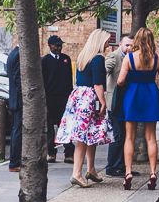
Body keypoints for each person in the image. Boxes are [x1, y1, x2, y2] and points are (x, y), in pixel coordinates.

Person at [117, 27, 159, 191]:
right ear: (151, 40)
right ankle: (152, 173)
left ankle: (128, 172)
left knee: (129, 137)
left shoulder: (129, 58)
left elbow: (120, 81)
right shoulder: (156, 58)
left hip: (133, 96)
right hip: (150, 96)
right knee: (151, 138)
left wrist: (128, 81)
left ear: (137, 40)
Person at [56, 29, 113, 188]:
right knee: (82, 137)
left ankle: (91, 169)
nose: (108, 44)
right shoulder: (98, 59)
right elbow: (98, 84)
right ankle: (76, 173)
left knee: (90, 133)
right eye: (107, 41)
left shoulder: (83, 56)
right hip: (90, 98)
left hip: (78, 96)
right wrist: (103, 102)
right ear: (99, 41)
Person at [42, 35, 75, 164]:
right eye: (56, 45)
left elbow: (69, 80)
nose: (59, 47)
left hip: (64, 98)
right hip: (50, 98)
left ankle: (69, 153)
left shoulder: (66, 59)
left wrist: (70, 97)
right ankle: (51, 153)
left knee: (66, 126)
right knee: (50, 128)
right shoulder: (44, 61)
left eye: (60, 45)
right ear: (50, 46)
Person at [104, 36, 134, 177]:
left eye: (131, 46)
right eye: (127, 45)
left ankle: (122, 166)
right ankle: (111, 167)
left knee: (125, 135)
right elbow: (104, 69)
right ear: (120, 44)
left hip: (126, 101)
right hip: (115, 101)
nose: (129, 48)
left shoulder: (132, 58)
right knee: (117, 135)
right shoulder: (114, 56)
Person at [6, 45, 22, 173]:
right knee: (17, 130)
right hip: (18, 100)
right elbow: (18, 79)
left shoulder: (13, 53)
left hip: (15, 99)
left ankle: (15, 161)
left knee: (16, 130)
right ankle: (14, 162)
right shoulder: (18, 55)